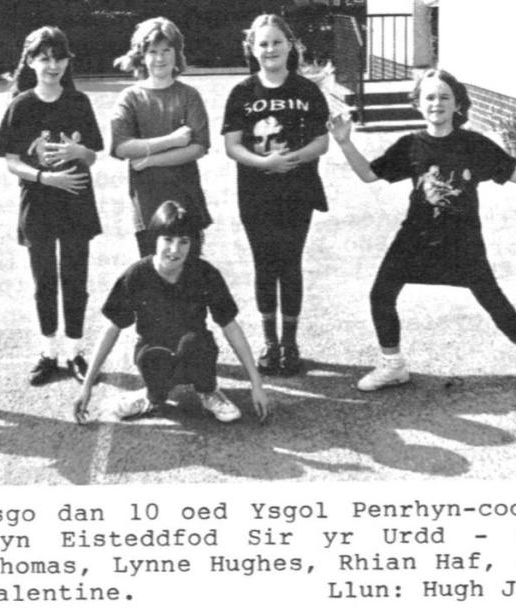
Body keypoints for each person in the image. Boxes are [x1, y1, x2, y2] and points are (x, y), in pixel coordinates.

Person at [327, 68, 516, 391]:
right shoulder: (410, 145)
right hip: (415, 236)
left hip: (462, 238)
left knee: (490, 295)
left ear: (457, 104)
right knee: (381, 293)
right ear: (418, 104)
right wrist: (344, 143)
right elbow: (369, 175)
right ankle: (393, 365)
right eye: (429, 97)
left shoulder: (473, 144)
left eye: (444, 97)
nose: (436, 103)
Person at [73, 201, 270, 425]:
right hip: (155, 353)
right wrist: (86, 386)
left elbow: (230, 326)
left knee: (194, 342)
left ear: (192, 243)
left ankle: (208, 391)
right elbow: (111, 329)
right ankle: (151, 396)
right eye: (168, 239)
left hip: (194, 351)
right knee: (151, 356)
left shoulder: (205, 273)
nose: (175, 250)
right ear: (154, 238)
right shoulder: (136, 275)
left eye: (183, 241)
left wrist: (257, 384)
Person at [0, 26, 104, 386]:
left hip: (75, 200)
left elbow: (93, 155)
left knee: (75, 278)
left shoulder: (79, 102)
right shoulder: (21, 105)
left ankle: (74, 352)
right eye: (44, 58)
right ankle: (48, 352)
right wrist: (44, 178)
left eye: (59, 58)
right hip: (38, 203)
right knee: (44, 282)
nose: (52, 65)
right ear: (30, 62)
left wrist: (78, 152)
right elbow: (11, 161)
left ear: (68, 61)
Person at [222, 13, 330, 377]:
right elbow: (233, 145)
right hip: (256, 193)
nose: (270, 49)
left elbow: (321, 141)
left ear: (290, 46)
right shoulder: (242, 92)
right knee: (265, 265)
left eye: (277, 42)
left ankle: (290, 342)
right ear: (252, 49)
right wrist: (265, 162)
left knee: (290, 263)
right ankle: (269, 342)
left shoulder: (306, 91)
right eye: (263, 43)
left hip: (297, 191)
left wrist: (292, 159)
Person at [111, 17, 212, 258]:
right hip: (148, 204)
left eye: (167, 50)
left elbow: (198, 147)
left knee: (190, 271)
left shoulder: (189, 95)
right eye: (153, 51)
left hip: (187, 200)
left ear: (177, 53)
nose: (160, 58)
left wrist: (150, 160)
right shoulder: (130, 97)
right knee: (151, 271)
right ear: (141, 56)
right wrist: (172, 141)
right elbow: (122, 146)